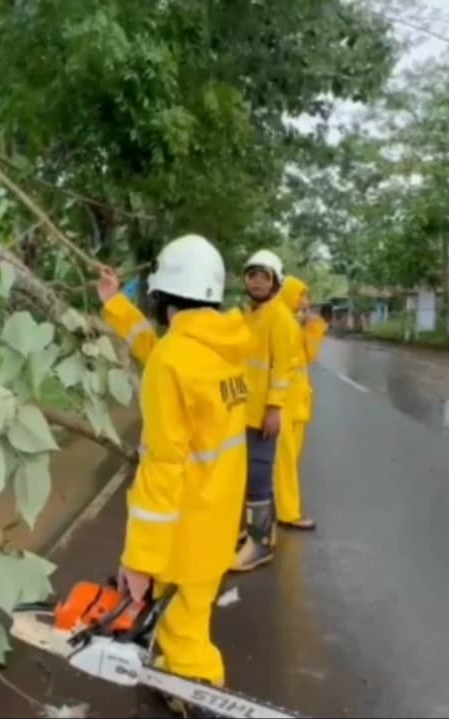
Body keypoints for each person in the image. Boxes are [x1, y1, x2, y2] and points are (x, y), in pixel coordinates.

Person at [94, 234, 252, 718]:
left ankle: (200, 698)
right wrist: (115, 305)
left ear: (162, 297)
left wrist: (139, 560)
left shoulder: (174, 358)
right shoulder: (225, 346)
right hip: (220, 517)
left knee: (184, 637)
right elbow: (159, 351)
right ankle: (189, 682)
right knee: (193, 618)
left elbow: (162, 469)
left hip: (185, 531)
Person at [232, 249, 304, 573]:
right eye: (253, 275)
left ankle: (261, 544)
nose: (258, 282)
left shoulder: (280, 318)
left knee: (259, 476)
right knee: (244, 477)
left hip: (264, 414)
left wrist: (274, 407)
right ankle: (249, 535)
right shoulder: (249, 316)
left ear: (276, 281)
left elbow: (283, 368)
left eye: (265, 276)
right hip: (242, 412)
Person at [272, 276, 328, 531]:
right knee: (285, 463)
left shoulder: (291, 322)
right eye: (302, 295)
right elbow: (301, 358)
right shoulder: (283, 322)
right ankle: (289, 512)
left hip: (294, 403)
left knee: (288, 461)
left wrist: (310, 328)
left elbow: (305, 358)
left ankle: (278, 505)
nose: (306, 301)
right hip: (284, 405)